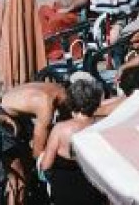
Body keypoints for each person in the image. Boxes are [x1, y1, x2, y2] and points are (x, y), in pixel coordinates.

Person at [35, 76, 107, 205]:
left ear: (72, 102)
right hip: (94, 189)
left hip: (65, 192)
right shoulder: (102, 125)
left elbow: (46, 165)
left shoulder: (61, 129)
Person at [0, 80, 67, 205]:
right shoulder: (46, 104)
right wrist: (42, 166)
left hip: (14, 115)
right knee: (18, 179)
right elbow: (38, 148)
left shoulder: (56, 89)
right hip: (3, 121)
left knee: (25, 172)